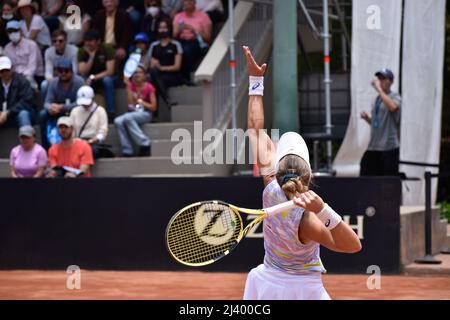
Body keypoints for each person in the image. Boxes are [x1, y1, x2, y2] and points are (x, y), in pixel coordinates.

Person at [241, 46, 361, 300]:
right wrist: (322, 209)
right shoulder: (309, 221)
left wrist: (256, 81)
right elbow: (353, 245)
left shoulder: (270, 184)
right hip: (303, 290)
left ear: (278, 167)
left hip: (266, 285)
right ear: (310, 175)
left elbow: (254, 127)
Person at [360, 68, 402, 176]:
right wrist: (367, 119)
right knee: (366, 173)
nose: (380, 81)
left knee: (387, 181)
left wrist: (379, 89)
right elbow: (377, 124)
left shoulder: (395, 96)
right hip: (374, 146)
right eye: (379, 78)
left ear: (391, 82)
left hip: (388, 147)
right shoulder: (377, 99)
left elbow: (393, 107)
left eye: (384, 78)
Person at [39, 57, 84, 149]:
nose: (63, 73)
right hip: (57, 112)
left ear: (72, 71)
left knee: (79, 111)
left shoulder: (79, 82)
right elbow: (46, 103)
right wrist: (51, 108)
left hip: (73, 112)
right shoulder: (54, 83)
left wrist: (62, 107)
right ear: (56, 72)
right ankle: (46, 147)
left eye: (66, 71)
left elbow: (80, 103)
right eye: (60, 71)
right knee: (42, 114)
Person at [114, 64, 157, 157]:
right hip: (133, 113)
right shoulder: (131, 86)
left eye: (140, 72)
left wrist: (142, 102)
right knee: (118, 121)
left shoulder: (149, 87)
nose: (137, 75)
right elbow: (130, 105)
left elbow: (154, 107)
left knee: (128, 118)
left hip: (146, 113)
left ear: (145, 75)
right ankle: (127, 149)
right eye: (135, 73)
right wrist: (129, 89)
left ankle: (144, 143)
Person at [78, 28, 116, 118]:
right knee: (80, 80)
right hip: (90, 78)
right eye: (86, 41)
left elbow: (110, 71)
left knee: (107, 81)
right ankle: (82, 111)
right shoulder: (82, 51)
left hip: (106, 77)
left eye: (90, 41)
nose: (87, 43)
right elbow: (82, 71)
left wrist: (93, 77)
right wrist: (91, 57)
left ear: (98, 41)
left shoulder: (107, 48)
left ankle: (111, 112)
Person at [147, 19, 184, 106]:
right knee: (153, 74)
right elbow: (149, 64)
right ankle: (167, 100)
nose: (162, 30)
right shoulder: (154, 45)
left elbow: (177, 66)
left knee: (153, 81)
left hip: (173, 75)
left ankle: (154, 114)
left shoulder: (176, 44)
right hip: (157, 74)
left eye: (165, 28)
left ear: (169, 29)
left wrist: (161, 68)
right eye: (160, 28)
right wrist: (152, 64)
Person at [173, 0, 212, 80]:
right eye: (185, 2)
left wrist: (194, 30)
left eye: (189, 1)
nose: (187, 3)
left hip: (197, 41)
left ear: (194, 3)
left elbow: (207, 37)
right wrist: (180, 29)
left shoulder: (203, 16)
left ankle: (185, 77)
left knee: (186, 50)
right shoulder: (178, 16)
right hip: (181, 40)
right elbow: (174, 35)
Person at [3, 19, 44, 90]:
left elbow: (32, 67)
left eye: (15, 31)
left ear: (21, 31)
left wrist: (20, 78)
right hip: (14, 77)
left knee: (27, 80)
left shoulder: (31, 45)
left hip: (33, 76)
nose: (12, 33)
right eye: (10, 32)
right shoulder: (7, 48)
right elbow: (8, 67)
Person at [70, 85, 110, 159]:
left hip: (93, 141)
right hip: (78, 140)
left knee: (91, 150)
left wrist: (91, 141)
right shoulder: (74, 111)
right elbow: (72, 130)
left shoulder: (100, 111)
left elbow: (103, 131)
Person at [92, 0, 132, 66]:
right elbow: (95, 33)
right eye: (106, 2)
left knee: (121, 55)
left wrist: (122, 47)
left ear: (117, 2)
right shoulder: (98, 15)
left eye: (112, 1)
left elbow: (127, 34)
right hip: (101, 46)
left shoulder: (124, 15)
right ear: (103, 3)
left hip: (117, 47)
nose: (109, 4)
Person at [41, 29, 78, 100]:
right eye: (54, 41)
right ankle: (47, 107)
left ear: (66, 41)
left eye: (60, 41)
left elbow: (75, 71)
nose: (57, 43)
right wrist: (54, 81)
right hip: (55, 80)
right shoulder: (48, 52)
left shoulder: (74, 50)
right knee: (44, 85)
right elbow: (48, 73)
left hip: (70, 79)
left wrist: (61, 75)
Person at [0, 56, 35, 129]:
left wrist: (8, 112)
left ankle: (27, 137)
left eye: (7, 70)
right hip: (2, 116)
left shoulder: (22, 81)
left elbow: (26, 102)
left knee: (23, 114)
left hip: (17, 113)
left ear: (12, 69)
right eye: (1, 71)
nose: (4, 73)